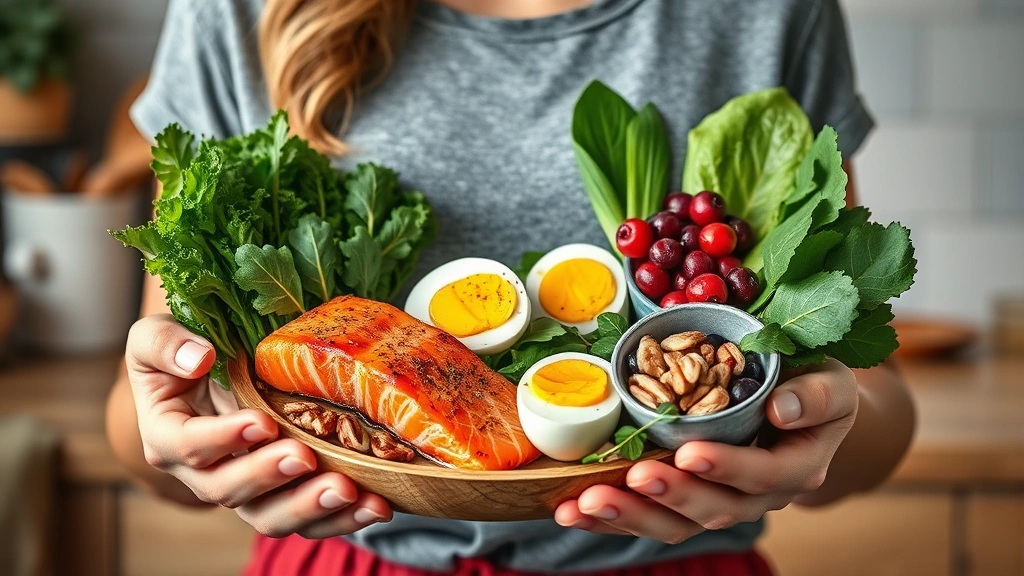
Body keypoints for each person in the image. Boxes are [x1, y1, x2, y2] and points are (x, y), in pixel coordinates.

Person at [106, 0, 916, 574]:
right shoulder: (238, 10)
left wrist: (809, 440)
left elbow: (876, 410)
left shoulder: (768, 12)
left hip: (673, 565)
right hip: (340, 560)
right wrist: (179, 443)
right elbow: (142, 423)